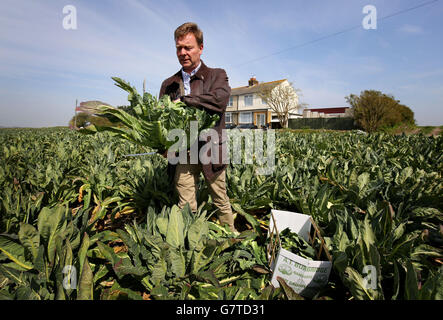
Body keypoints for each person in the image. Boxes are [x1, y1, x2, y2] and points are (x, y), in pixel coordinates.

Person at [159, 22, 238, 234]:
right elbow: (159, 123)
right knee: (186, 205)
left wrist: (185, 100)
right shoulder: (168, 84)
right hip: (183, 152)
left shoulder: (216, 75)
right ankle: (191, 243)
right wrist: (162, 147)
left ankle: (231, 241)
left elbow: (219, 100)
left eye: (188, 47)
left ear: (200, 48)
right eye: (179, 48)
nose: (183, 53)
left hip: (211, 149)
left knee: (220, 200)